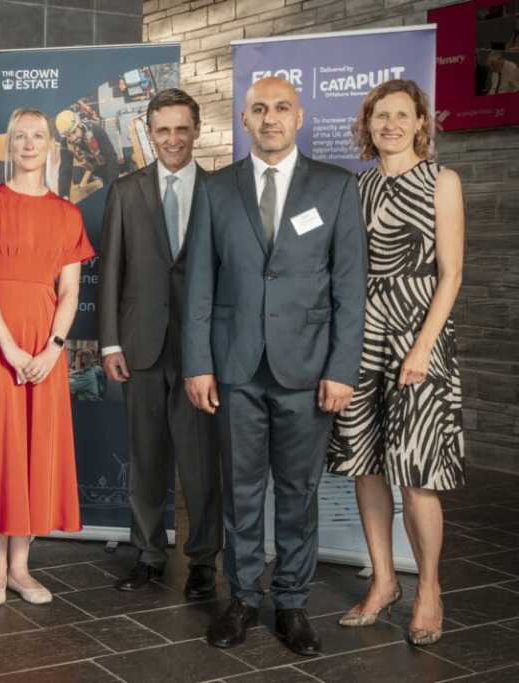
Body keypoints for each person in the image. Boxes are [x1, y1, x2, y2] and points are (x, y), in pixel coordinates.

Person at [183, 77, 367, 656]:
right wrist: (198, 364)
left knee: (297, 491)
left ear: (300, 117)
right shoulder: (215, 189)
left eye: (281, 108)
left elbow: (350, 289)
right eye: (259, 109)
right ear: (244, 120)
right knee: (239, 491)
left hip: (308, 369)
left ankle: (291, 603)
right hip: (235, 368)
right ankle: (240, 598)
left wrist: (342, 368)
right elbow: (199, 287)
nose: (270, 119)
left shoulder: (337, 188)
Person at [329, 80, 465, 647]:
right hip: (363, 335)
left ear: (420, 124)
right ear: (367, 125)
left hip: (418, 334)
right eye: (379, 116)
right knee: (366, 464)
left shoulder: (442, 181)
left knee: (416, 473)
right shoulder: (354, 187)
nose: (389, 124)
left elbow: (451, 273)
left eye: (401, 115)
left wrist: (421, 347)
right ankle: (383, 581)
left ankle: (428, 587)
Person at [0, 108, 95, 606]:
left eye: (38, 136)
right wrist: (8, 345)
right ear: (9, 146)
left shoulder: (68, 214)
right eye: (20, 137)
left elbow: (70, 290)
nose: (29, 144)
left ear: (50, 145)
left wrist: (54, 347)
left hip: (44, 342)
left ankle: (22, 569)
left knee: (34, 448)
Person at [97, 88, 222, 599]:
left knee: (200, 464)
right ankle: (147, 554)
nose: (173, 139)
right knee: (146, 458)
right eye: (163, 129)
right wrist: (109, 343)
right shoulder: (126, 191)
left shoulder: (221, 190)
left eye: (182, 128)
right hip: (141, 345)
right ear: (150, 134)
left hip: (201, 352)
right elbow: (110, 272)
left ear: (197, 131)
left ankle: (203, 563)